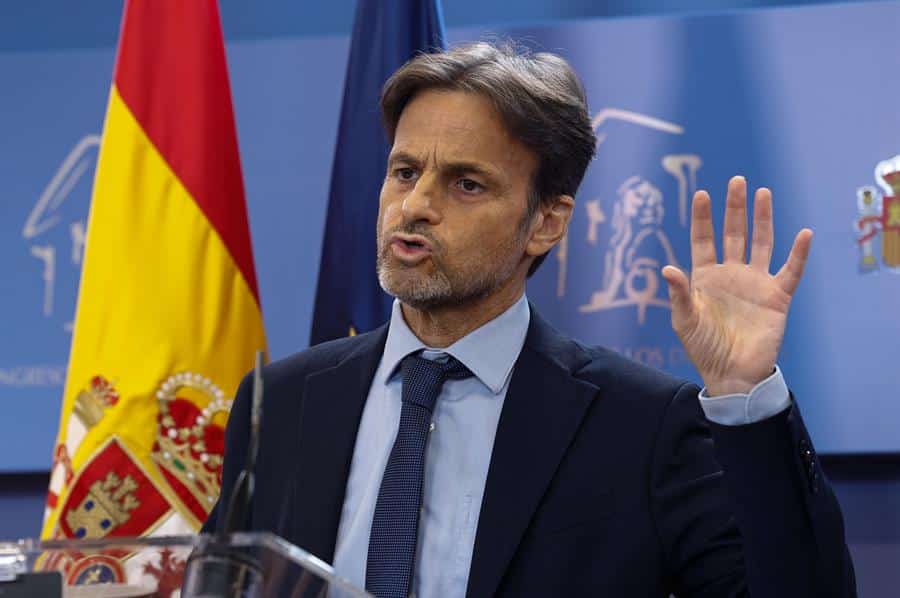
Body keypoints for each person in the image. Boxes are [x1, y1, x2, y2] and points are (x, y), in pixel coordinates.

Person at [204, 42, 855, 597]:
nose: (416, 206)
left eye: (466, 184)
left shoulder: (643, 426)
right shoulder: (284, 403)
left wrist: (745, 395)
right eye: (405, 172)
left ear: (546, 221)